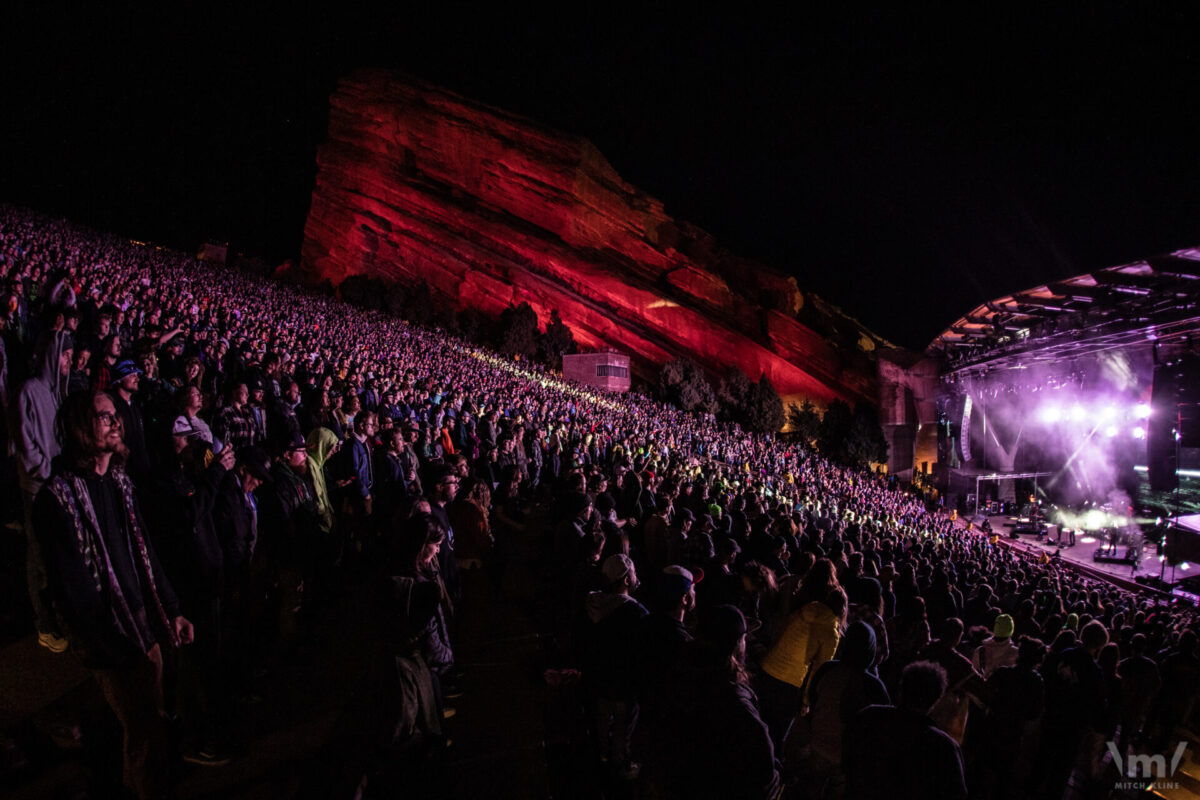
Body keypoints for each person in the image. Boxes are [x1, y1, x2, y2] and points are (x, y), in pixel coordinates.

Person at [34, 390, 194, 800]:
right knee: (143, 731)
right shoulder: (56, 499)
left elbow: (146, 552)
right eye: (104, 417)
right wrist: (114, 648)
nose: (115, 421)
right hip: (109, 636)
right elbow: (74, 590)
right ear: (79, 428)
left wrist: (172, 609)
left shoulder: (120, 483)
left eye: (115, 416)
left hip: (142, 621)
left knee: (148, 725)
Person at [16, 329, 72, 651]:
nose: (69, 361)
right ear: (53, 354)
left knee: (52, 555)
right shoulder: (28, 390)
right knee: (38, 555)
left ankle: (56, 616)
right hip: (37, 489)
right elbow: (27, 449)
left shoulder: (53, 392)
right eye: (65, 355)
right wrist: (50, 473)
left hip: (52, 486)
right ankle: (43, 625)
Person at [843, 661, 967, 800]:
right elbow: (955, 793)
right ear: (936, 700)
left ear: (901, 689)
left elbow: (847, 754)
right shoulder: (945, 747)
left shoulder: (869, 717)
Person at [583, 553, 648, 780]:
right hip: (623, 684)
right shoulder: (636, 613)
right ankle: (619, 767)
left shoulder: (592, 604)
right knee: (622, 728)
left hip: (598, 679)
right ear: (626, 580)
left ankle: (601, 758)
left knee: (601, 723)